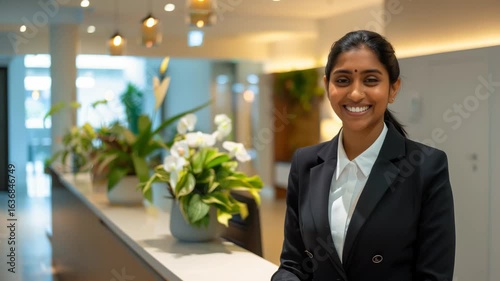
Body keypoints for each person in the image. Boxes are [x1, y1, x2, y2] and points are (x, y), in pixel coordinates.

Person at [271, 30, 455, 281]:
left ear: (393, 88)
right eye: (343, 80)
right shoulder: (305, 163)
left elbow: (433, 276)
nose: (355, 94)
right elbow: (293, 264)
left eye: (370, 80)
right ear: (327, 86)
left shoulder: (425, 167)